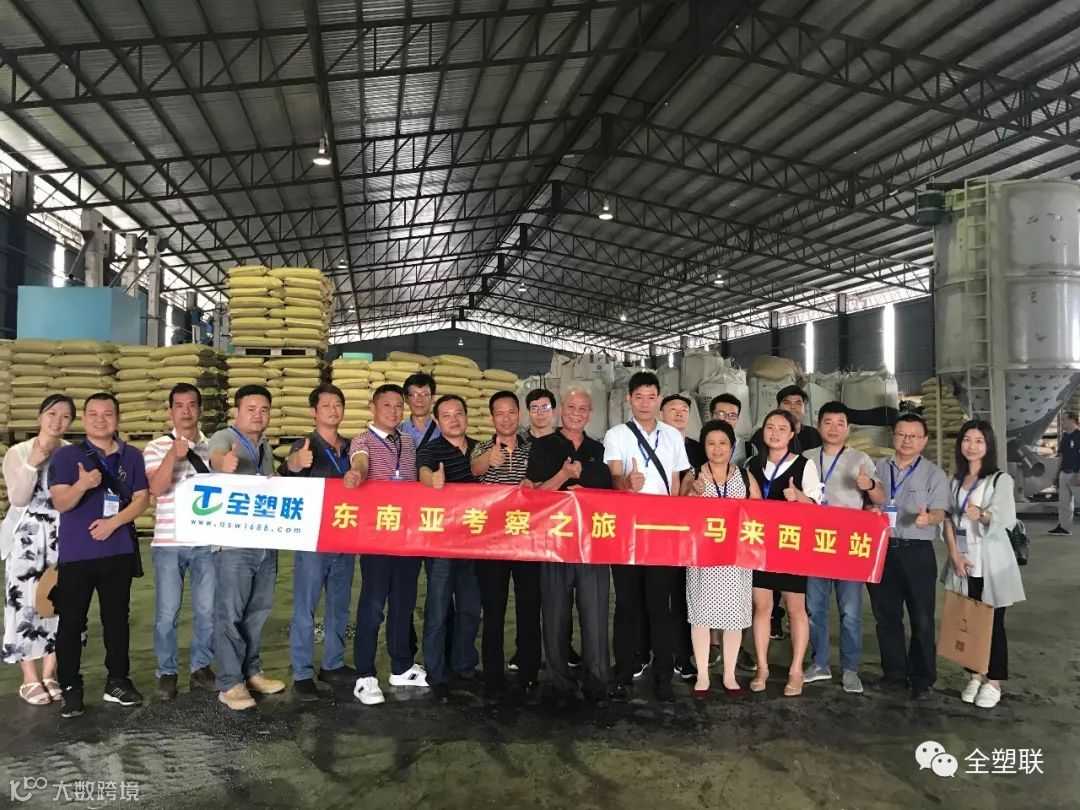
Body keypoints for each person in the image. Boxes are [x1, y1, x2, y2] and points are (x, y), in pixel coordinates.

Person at [49, 393, 150, 718]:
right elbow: (60, 502)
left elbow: (142, 498)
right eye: (93, 414)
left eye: (107, 414)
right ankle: (70, 687)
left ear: (117, 419)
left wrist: (114, 523)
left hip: (117, 551)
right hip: (77, 554)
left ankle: (117, 681)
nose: (100, 420)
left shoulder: (131, 456)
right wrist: (82, 485)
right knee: (71, 621)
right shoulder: (66, 457)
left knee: (117, 619)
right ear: (84, 419)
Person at [604, 371, 689, 702]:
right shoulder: (617, 435)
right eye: (638, 397)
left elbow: (676, 481)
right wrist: (627, 483)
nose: (644, 403)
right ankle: (624, 670)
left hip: (662, 532)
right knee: (627, 603)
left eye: (650, 397)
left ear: (659, 399)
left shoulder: (673, 436)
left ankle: (663, 674)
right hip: (626, 530)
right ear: (629, 399)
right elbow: (614, 478)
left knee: (659, 604)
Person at [526, 388, 613, 706]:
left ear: (590, 414)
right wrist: (563, 475)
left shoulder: (598, 449)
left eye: (583, 409)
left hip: (592, 544)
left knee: (595, 615)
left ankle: (597, 680)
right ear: (562, 410)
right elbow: (535, 494)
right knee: (555, 616)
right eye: (572, 407)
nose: (577, 413)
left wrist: (585, 488)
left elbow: (608, 492)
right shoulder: (543, 446)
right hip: (555, 543)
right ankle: (560, 681)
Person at [346, 383, 428, 706]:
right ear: (373, 408)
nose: (393, 411)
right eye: (386, 405)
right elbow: (361, 462)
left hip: (406, 536)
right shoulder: (362, 440)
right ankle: (365, 675)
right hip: (377, 537)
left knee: (403, 604)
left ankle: (401, 666)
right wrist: (357, 473)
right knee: (372, 605)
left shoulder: (408, 441)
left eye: (398, 405)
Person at [279, 383, 356, 702]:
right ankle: (302, 673)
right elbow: (286, 476)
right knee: (306, 608)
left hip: (346, 537)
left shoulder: (352, 448)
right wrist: (294, 463)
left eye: (338, 404)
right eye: (326, 405)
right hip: (313, 539)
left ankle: (333, 664)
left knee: (339, 605)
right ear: (314, 412)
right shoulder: (305, 445)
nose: (333, 410)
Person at [802, 402, 886, 696]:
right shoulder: (807, 458)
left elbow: (880, 497)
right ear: (818, 425)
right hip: (815, 543)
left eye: (840, 423)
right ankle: (820, 663)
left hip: (849, 546)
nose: (834, 428)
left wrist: (869, 483)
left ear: (848, 429)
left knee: (850, 612)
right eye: (828, 422)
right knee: (815, 609)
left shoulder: (860, 458)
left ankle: (850, 669)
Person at [941, 420, 1026, 709]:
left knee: (993, 623)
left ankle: (994, 681)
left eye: (979, 441)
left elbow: (1006, 518)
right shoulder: (955, 480)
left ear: (988, 445)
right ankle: (976, 675)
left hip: (992, 564)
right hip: (964, 562)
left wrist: (983, 514)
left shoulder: (1000, 480)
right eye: (967, 439)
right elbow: (948, 520)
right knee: (969, 621)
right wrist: (954, 554)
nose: (972, 446)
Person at [208, 384, 283, 711]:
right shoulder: (225, 438)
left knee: (258, 611)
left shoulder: (264, 447)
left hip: (265, 540)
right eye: (251, 409)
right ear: (236, 411)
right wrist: (223, 463)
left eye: (264, 409)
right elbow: (217, 458)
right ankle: (229, 683)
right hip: (234, 543)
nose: (258, 415)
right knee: (230, 613)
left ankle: (251, 672)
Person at [867, 413, 949, 699]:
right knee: (886, 616)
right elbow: (867, 501)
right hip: (882, 550)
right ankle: (894, 675)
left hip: (917, 552)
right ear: (894, 436)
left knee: (922, 618)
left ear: (924, 441)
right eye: (902, 434)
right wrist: (869, 510)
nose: (907, 441)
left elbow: (940, 510)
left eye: (914, 436)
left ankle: (923, 679)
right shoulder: (878, 468)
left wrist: (930, 519)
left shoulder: (934, 474)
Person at [143, 383, 216, 701]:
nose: (186, 411)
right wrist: (173, 456)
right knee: (167, 613)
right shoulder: (156, 447)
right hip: (169, 543)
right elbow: (157, 489)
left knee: (207, 610)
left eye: (192, 405)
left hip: (206, 543)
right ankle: (167, 672)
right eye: (179, 405)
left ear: (200, 409)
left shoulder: (213, 447)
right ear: (170, 410)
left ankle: (201, 667)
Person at [2, 394, 74, 705]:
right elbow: (18, 499)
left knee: (61, 600)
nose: (57, 421)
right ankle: (29, 677)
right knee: (25, 603)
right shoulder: (18, 452)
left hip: (63, 533)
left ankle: (49, 672)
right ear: (40, 416)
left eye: (65, 416)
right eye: (52, 413)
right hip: (27, 536)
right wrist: (33, 461)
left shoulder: (72, 453)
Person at [680, 419, 761, 697]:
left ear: (732, 446)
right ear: (703, 447)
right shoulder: (694, 475)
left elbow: (759, 513)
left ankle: (729, 675)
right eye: (711, 443)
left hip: (735, 561)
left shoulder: (745, 477)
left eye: (723, 443)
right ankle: (703, 674)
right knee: (701, 617)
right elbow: (678, 514)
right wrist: (692, 493)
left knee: (734, 618)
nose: (717, 449)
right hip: (703, 559)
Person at [744, 409, 821, 697]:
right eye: (770, 427)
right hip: (759, 545)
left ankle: (796, 670)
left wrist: (799, 497)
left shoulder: (804, 465)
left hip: (792, 546)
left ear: (791, 434)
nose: (775, 433)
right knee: (762, 608)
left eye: (781, 428)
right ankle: (762, 668)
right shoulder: (752, 464)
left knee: (795, 609)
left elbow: (817, 508)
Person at [468, 391, 540, 697]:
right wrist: (489, 460)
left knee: (529, 609)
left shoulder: (533, 448)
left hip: (527, 541)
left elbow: (543, 482)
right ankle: (493, 674)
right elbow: (475, 469)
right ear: (491, 418)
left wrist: (533, 484)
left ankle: (529, 672)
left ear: (519, 415)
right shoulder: (481, 448)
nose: (506, 418)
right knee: (494, 612)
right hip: (492, 544)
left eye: (511, 412)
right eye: (500, 413)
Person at [418, 394, 482, 701]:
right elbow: (423, 473)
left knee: (470, 609)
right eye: (446, 415)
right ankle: (437, 673)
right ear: (437, 421)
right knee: (438, 608)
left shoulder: (481, 449)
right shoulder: (431, 450)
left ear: (466, 416)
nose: (454, 419)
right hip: (442, 544)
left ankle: (464, 668)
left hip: (476, 544)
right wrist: (432, 480)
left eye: (459, 413)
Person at [660, 393, 705, 681]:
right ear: (661, 414)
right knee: (654, 594)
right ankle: (649, 651)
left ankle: (682, 654)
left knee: (682, 594)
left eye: (684, 409)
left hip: (689, 533)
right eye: (672, 409)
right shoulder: (653, 444)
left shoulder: (699, 450)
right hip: (656, 530)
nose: (679, 413)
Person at [748, 385, 822, 459]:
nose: (793, 407)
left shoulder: (814, 435)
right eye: (787, 403)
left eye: (798, 403)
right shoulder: (763, 435)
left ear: (805, 409)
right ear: (778, 408)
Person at [1049, 410, 1080, 535]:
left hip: (1075, 473)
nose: (1061, 422)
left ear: (1072, 420)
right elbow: (1061, 457)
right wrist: (1057, 475)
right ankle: (1064, 527)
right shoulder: (1065, 437)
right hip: (1064, 473)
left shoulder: (1078, 436)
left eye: (1064, 420)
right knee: (1064, 503)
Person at [400, 372, 441, 451]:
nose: (419, 400)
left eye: (425, 394)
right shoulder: (398, 432)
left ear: (432, 398)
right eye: (414, 394)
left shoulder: (443, 431)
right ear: (406, 399)